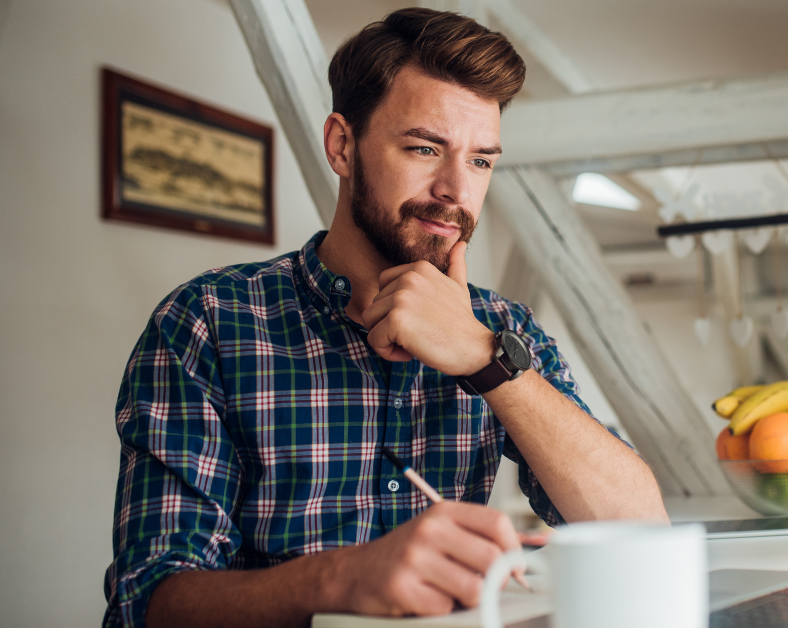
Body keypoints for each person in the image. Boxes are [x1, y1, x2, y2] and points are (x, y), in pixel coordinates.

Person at [103, 9, 668, 628]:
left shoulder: (507, 331)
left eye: (481, 160)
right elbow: (149, 604)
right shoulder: (209, 321)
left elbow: (639, 528)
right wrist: (341, 578)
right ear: (342, 146)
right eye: (426, 148)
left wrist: (486, 359)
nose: (456, 188)